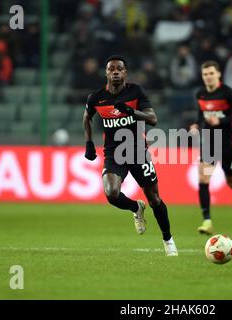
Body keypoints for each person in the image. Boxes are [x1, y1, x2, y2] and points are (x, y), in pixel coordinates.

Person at [83, 55, 178, 256]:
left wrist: (131, 112)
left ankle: (168, 239)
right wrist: (89, 142)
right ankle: (136, 207)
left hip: (137, 151)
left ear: (125, 72)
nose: (115, 72)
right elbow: (87, 117)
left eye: (120, 69)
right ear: (106, 73)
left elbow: (153, 119)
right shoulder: (96, 97)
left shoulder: (135, 91)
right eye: (111, 69)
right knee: (111, 194)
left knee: (155, 199)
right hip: (113, 154)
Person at [189, 60, 232, 235]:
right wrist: (196, 125)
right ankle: (207, 221)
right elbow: (201, 115)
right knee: (203, 178)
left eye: (211, 73)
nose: (208, 77)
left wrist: (221, 120)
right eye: (205, 74)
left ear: (218, 74)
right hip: (210, 143)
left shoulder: (229, 93)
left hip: (229, 142)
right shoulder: (200, 94)